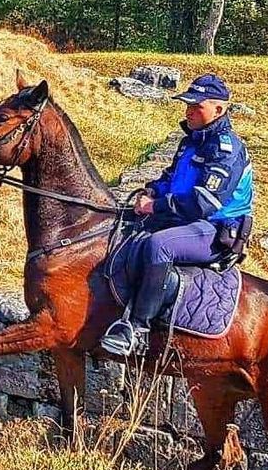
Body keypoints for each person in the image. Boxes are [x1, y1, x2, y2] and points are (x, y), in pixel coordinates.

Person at [100, 73, 255, 356]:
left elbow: (204, 202)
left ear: (219, 109)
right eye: (187, 105)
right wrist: (152, 192)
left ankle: (137, 329)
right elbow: (170, 177)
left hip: (216, 230)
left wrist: (156, 207)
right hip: (186, 219)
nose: (189, 111)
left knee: (159, 246)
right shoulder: (191, 142)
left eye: (197, 106)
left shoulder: (227, 150)